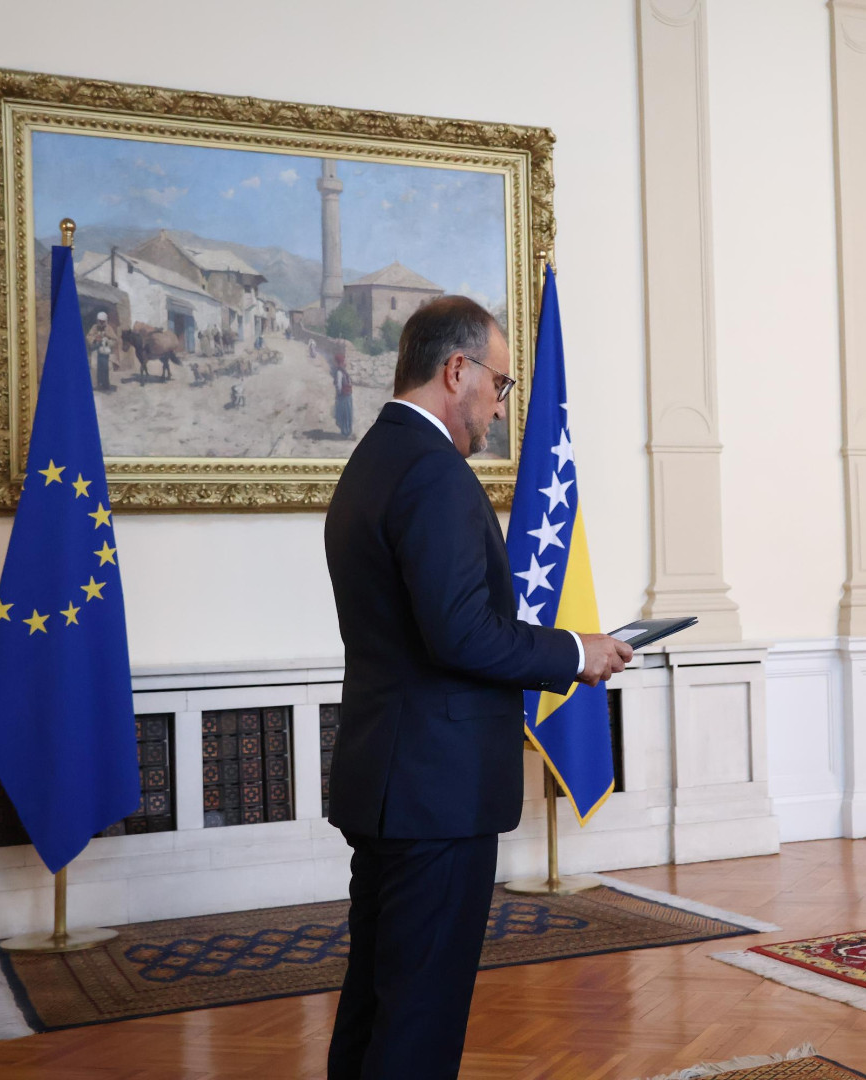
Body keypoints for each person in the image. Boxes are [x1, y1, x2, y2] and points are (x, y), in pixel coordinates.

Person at [323, 295, 633, 1080]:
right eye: (499, 385)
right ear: (455, 369)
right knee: (417, 1019)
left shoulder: (374, 459)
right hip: (436, 792)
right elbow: (459, 634)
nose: (499, 408)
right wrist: (576, 652)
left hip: (390, 781)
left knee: (378, 1001)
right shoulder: (434, 473)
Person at [86, 311, 118, 391]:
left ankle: (108, 384)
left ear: (106, 321)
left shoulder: (109, 328)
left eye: (103, 321)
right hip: (96, 349)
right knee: (94, 366)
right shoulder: (94, 327)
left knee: (109, 366)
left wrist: (107, 341)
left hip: (106, 350)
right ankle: (95, 385)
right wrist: (95, 339)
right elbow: (88, 336)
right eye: (100, 321)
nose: (101, 323)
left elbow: (115, 340)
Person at [332, 350, 354, 438]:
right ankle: (347, 431)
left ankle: (345, 432)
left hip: (343, 396)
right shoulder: (344, 371)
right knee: (347, 414)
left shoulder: (339, 372)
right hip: (348, 396)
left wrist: (338, 395)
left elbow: (339, 385)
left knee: (344, 414)